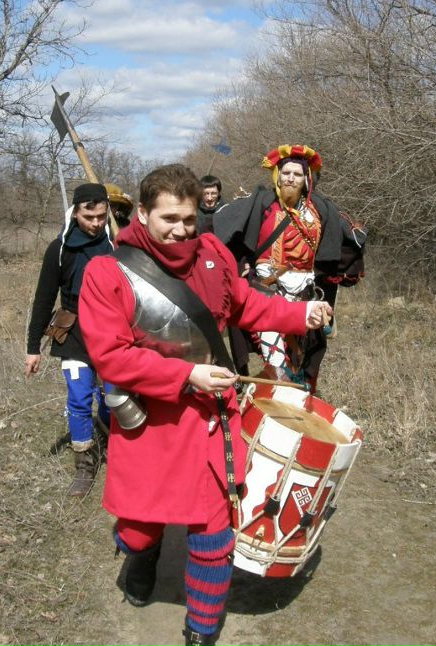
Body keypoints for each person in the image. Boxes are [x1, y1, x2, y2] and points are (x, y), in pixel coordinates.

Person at [77, 164, 333, 646]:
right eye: (169, 218)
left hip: (210, 419)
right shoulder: (105, 273)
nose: (181, 230)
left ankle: (201, 630)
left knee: (213, 533)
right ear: (145, 212)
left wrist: (301, 314)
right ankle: (142, 554)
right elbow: (110, 356)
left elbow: (247, 306)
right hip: (148, 421)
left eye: (190, 219)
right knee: (138, 527)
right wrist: (185, 374)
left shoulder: (213, 254)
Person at [212, 144, 348, 393]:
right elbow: (232, 235)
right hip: (267, 290)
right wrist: (240, 265)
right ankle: (278, 401)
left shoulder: (320, 211)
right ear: (277, 175)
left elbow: (336, 248)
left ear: (306, 179)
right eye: (286, 173)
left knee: (303, 357)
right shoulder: (261, 206)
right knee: (275, 358)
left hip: (305, 291)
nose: (290, 178)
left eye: (297, 174)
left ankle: (301, 398)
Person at [25, 182, 113, 497]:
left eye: (102, 216)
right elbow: (44, 298)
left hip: (112, 330)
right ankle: (85, 465)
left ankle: (114, 444)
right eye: (90, 216)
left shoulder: (116, 243)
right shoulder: (59, 249)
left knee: (112, 397)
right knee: (78, 398)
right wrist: (32, 348)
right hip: (74, 331)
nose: (96, 223)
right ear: (75, 213)